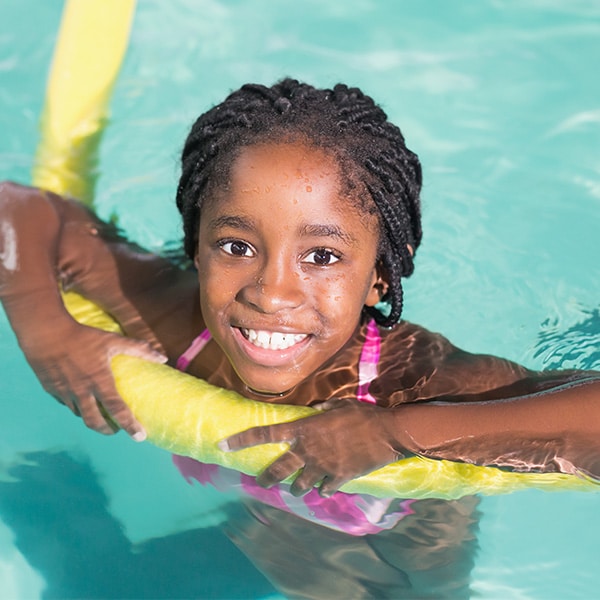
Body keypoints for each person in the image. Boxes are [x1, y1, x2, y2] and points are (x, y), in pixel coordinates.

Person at [1, 79, 599, 597]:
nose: (271, 292)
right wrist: (47, 332)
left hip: (406, 532)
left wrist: (394, 433)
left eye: (321, 255)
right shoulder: (175, 319)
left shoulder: (413, 384)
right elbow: (17, 206)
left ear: (380, 277)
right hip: (272, 525)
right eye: (236, 247)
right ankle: (52, 485)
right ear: (196, 249)